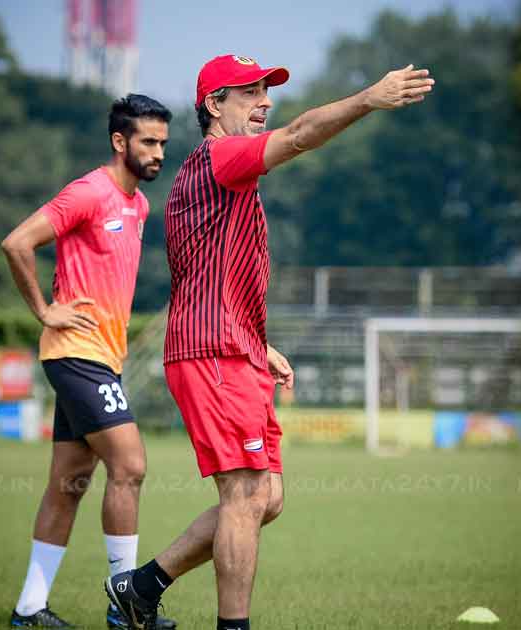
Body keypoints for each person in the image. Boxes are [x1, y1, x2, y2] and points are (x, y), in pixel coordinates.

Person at [103, 54, 433, 630]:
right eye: (249, 92)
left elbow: (217, 272)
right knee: (246, 495)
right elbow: (302, 134)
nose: (265, 101)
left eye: (267, 90)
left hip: (234, 346)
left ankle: (141, 586)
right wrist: (367, 98)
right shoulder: (220, 156)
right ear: (213, 105)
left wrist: (261, 343)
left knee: (265, 499)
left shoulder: (220, 171)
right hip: (214, 351)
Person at [1, 95, 177, 629]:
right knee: (131, 465)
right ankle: (126, 603)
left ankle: (29, 609)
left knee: (69, 484)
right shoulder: (89, 192)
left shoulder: (140, 205)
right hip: (77, 356)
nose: (158, 153)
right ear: (119, 142)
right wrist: (44, 311)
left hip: (104, 359)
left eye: (163, 143)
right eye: (148, 141)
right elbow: (17, 243)